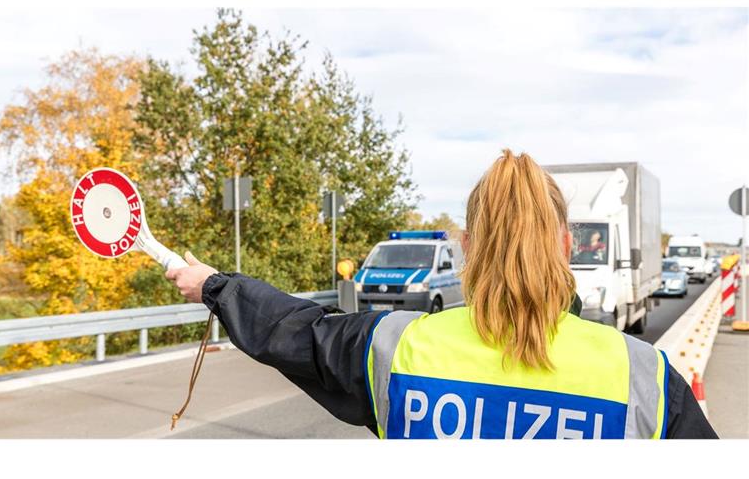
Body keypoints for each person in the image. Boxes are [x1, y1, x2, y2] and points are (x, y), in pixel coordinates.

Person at [165, 149, 717, 439]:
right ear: (566, 245)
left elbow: (295, 330)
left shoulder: (396, 347)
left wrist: (215, 286)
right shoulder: (643, 378)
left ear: (469, 248)